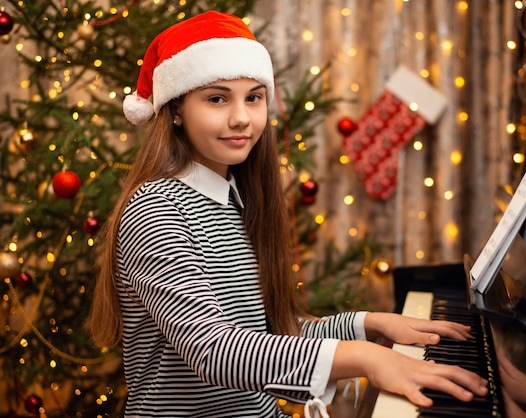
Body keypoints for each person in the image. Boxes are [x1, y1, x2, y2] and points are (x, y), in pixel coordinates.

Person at [88, 10, 488, 418]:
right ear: (175, 111)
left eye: (254, 97)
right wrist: (367, 359)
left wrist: (368, 324)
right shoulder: (156, 208)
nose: (241, 117)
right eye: (216, 98)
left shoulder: (235, 198)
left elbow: (265, 337)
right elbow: (212, 350)